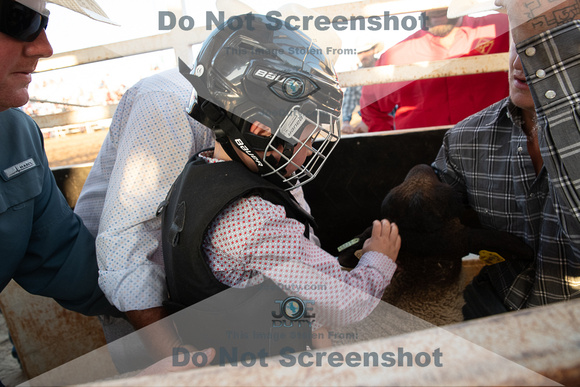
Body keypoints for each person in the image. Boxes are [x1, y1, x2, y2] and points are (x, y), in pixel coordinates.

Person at [159, 15, 400, 355]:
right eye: (306, 132)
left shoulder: (197, 175)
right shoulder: (254, 219)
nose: (312, 145)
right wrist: (378, 260)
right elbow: (343, 304)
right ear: (261, 131)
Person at [432, 0, 580, 318]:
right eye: (518, 41)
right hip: (495, 313)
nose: (519, 62)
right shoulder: (465, 139)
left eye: (543, 46)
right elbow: (428, 223)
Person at [0, 0, 121, 315]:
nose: (43, 47)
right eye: (20, 19)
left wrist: (164, 307)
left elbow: (63, 258)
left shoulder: (17, 134)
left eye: (44, 22)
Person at [360, 7, 510, 132]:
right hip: (427, 157)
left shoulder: (500, 28)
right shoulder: (396, 56)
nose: (437, 6)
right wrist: (392, 145)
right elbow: (371, 107)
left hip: (494, 155)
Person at [341, 41, 383, 134]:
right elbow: (349, 100)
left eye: (366, 51)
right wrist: (346, 123)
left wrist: (369, 122)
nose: (363, 56)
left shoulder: (385, 68)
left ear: (374, 50)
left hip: (388, 121)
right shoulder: (355, 76)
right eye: (360, 53)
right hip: (366, 122)